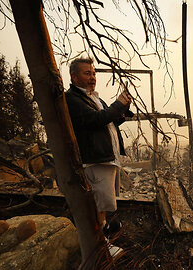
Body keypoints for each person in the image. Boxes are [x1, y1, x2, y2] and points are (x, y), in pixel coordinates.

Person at [65, 57, 133, 255]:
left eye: (93, 73)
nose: (92, 77)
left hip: (107, 159)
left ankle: (104, 243)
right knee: (101, 206)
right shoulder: (72, 99)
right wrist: (117, 105)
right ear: (74, 76)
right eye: (87, 73)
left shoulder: (94, 97)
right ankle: (101, 247)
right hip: (95, 160)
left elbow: (107, 122)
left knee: (105, 204)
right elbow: (95, 120)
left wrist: (122, 110)